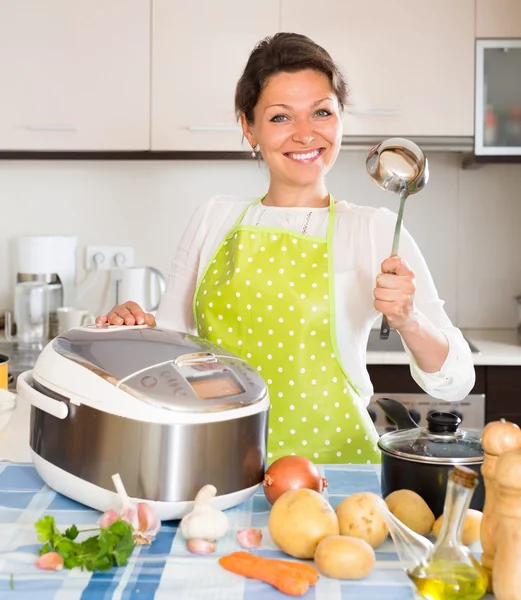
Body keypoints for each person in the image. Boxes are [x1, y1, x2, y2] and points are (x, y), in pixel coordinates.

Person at [96, 32, 475, 465]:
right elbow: (171, 350)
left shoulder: (373, 229)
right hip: (218, 465)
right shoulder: (213, 220)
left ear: (340, 119)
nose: (305, 134)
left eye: (321, 112)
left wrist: (408, 320)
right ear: (248, 127)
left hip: (337, 480)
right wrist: (135, 328)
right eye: (280, 118)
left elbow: (455, 380)